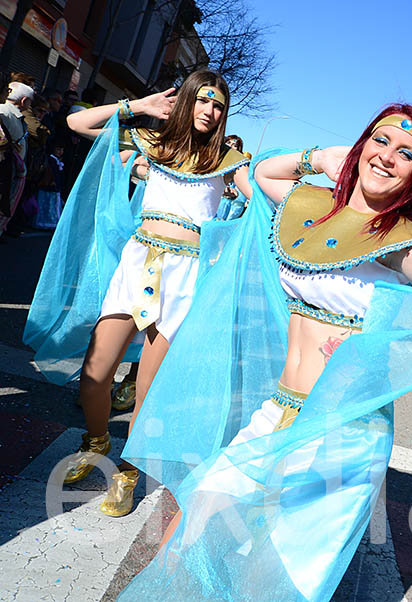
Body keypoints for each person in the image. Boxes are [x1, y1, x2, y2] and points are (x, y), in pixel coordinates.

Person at [116, 103, 412, 600]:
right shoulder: (309, 208)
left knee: (271, 578)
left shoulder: (400, 240)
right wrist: (323, 157)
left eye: (406, 153)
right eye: (380, 141)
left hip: (339, 432)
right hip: (279, 410)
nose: (388, 157)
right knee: (198, 519)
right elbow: (261, 172)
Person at [24, 70, 251, 518]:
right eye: (203, 100)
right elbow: (79, 124)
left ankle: (127, 470)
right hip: (138, 264)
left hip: (185, 279)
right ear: (186, 101)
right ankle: (96, 441)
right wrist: (140, 105)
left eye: (219, 105)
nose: (210, 111)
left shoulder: (228, 160)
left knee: (147, 391)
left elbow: (262, 198)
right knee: (94, 373)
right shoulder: (154, 143)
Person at [0, 81, 33, 237]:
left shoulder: (15, 115)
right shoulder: (5, 112)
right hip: (5, 170)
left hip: (10, 171)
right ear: (24, 101)